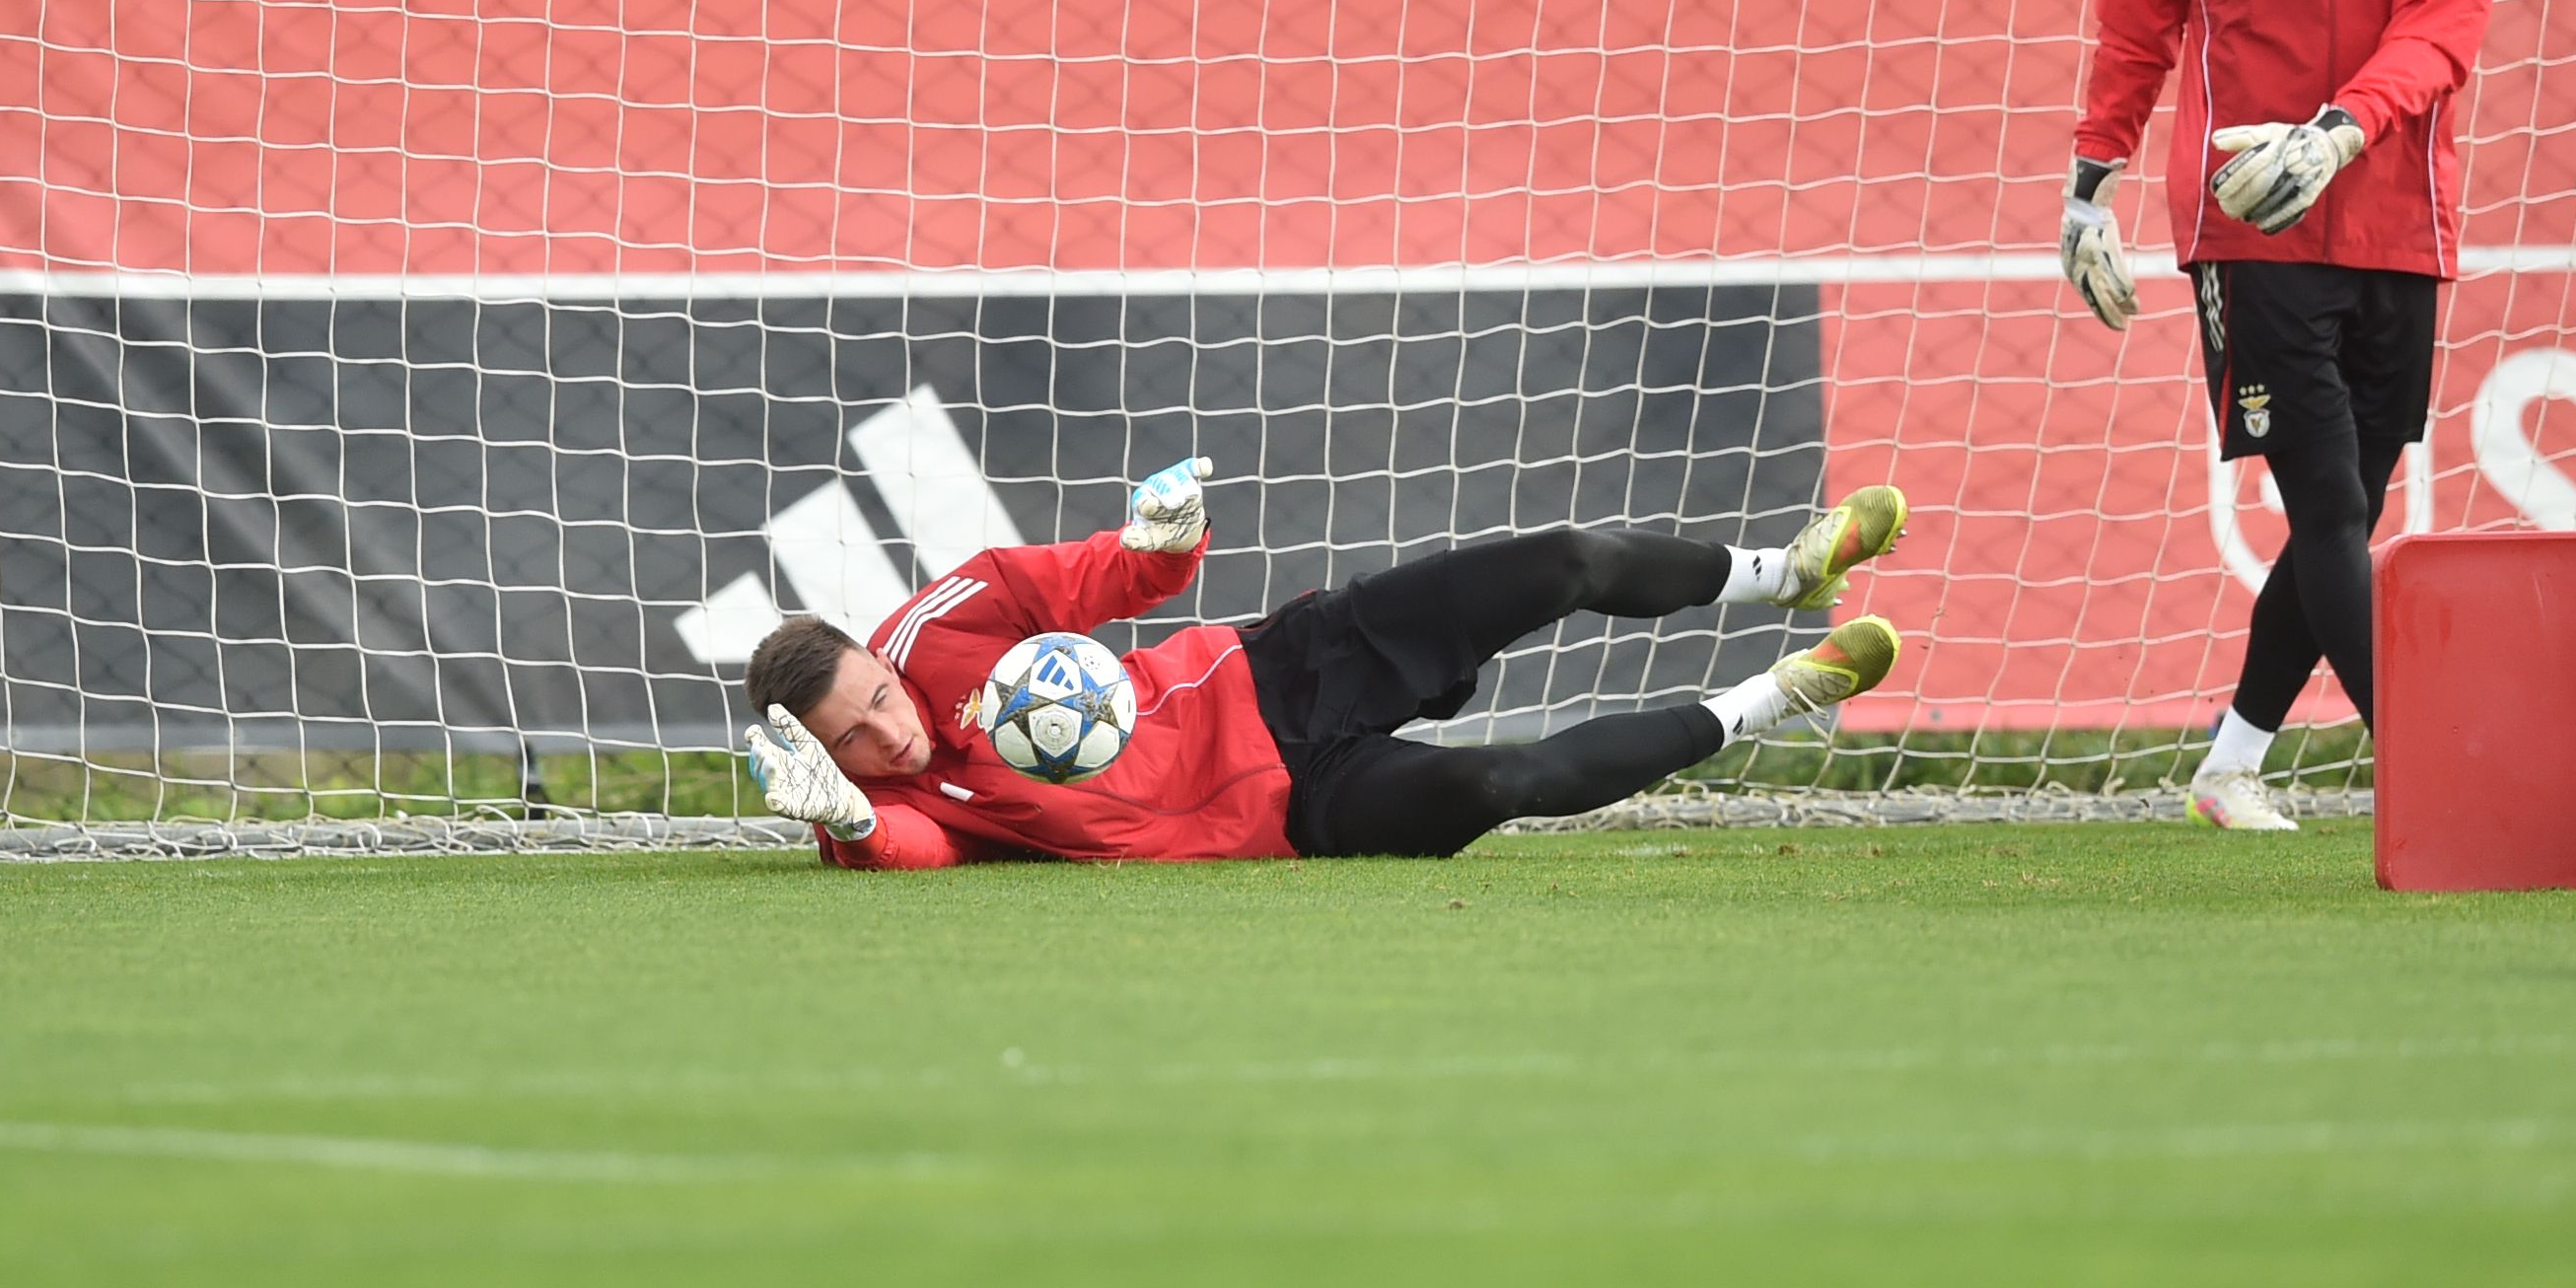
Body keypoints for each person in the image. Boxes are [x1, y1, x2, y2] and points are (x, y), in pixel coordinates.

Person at [2059, 0, 2509, 833]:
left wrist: (2342, 131)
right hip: (2246, 221)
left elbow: (2442, 28)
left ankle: (2226, 764)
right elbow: (2135, 19)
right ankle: (2432, 779)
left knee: (2347, 509)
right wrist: (2090, 176)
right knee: (2323, 505)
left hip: (2395, 217)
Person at [737, 463, 1910, 866]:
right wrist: (848, 818)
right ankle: (1769, 698)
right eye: (852, 736)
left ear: (876, 654)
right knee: (1496, 785)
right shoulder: (870, 800)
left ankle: (1781, 570)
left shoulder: (937, 623)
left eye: (877, 700)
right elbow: (914, 848)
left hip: (1276, 669)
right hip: (1294, 811)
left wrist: (1162, 536)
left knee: (1559, 561)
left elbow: (1100, 580)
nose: (885, 732)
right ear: (818, 752)